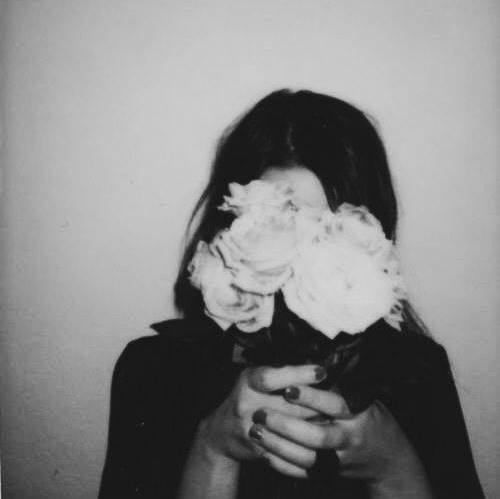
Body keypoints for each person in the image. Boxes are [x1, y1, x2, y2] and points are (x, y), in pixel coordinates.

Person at [99, 89, 484, 498]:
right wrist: (213, 450)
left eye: (327, 235)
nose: (301, 266)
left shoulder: (418, 373)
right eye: (279, 228)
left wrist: (393, 468)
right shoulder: (154, 372)